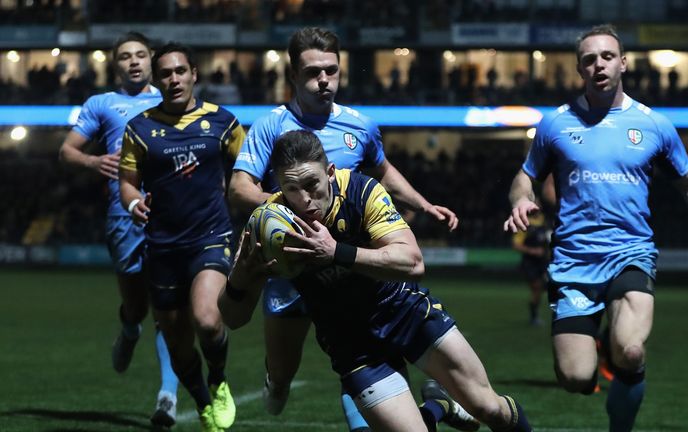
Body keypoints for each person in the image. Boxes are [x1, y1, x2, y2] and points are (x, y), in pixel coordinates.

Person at [503, 24, 688, 432]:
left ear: (624, 63)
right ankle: (597, 356)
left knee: (630, 350)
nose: (599, 65)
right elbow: (524, 177)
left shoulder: (653, 125)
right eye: (589, 59)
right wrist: (520, 199)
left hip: (630, 254)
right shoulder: (555, 124)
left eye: (607, 56)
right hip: (573, 263)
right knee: (576, 378)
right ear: (579, 69)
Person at [220, 130, 532, 432]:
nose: (304, 200)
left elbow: (412, 261)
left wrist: (336, 252)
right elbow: (232, 319)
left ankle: (446, 405)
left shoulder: (362, 192)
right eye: (291, 189)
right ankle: (438, 407)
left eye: (311, 184)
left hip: (404, 312)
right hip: (352, 344)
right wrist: (240, 279)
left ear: (330, 172)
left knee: (488, 408)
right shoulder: (270, 225)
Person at [228, 26, 458, 432]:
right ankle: (276, 381)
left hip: (346, 269)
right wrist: (287, 213)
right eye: (313, 71)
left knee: (359, 358)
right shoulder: (269, 127)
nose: (323, 80)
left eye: (331, 71)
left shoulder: (360, 126)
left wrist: (421, 203)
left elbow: (383, 170)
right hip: (291, 269)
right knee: (282, 371)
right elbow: (239, 189)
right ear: (293, 75)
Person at [118, 42, 245, 432]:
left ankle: (219, 379)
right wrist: (133, 203)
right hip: (163, 246)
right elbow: (127, 182)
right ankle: (202, 401)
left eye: (180, 71)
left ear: (194, 74)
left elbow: (245, 174)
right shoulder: (139, 130)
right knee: (176, 340)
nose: (174, 79)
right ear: (156, 80)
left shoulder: (224, 123)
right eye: (166, 74)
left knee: (207, 320)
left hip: (211, 236)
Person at [58, 31, 179, 428]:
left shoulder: (171, 98)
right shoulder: (102, 104)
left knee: (168, 309)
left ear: (150, 60)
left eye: (140, 55)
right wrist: (94, 163)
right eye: (125, 56)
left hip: (168, 216)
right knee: (138, 305)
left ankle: (167, 397)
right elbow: (67, 150)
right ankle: (129, 327)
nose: (133, 62)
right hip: (123, 215)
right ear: (116, 65)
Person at [511, 209, 549, 326]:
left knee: (544, 287)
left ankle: (536, 314)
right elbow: (516, 245)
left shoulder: (545, 220)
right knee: (536, 287)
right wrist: (532, 251)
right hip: (530, 263)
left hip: (544, 261)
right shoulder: (524, 223)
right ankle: (534, 316)